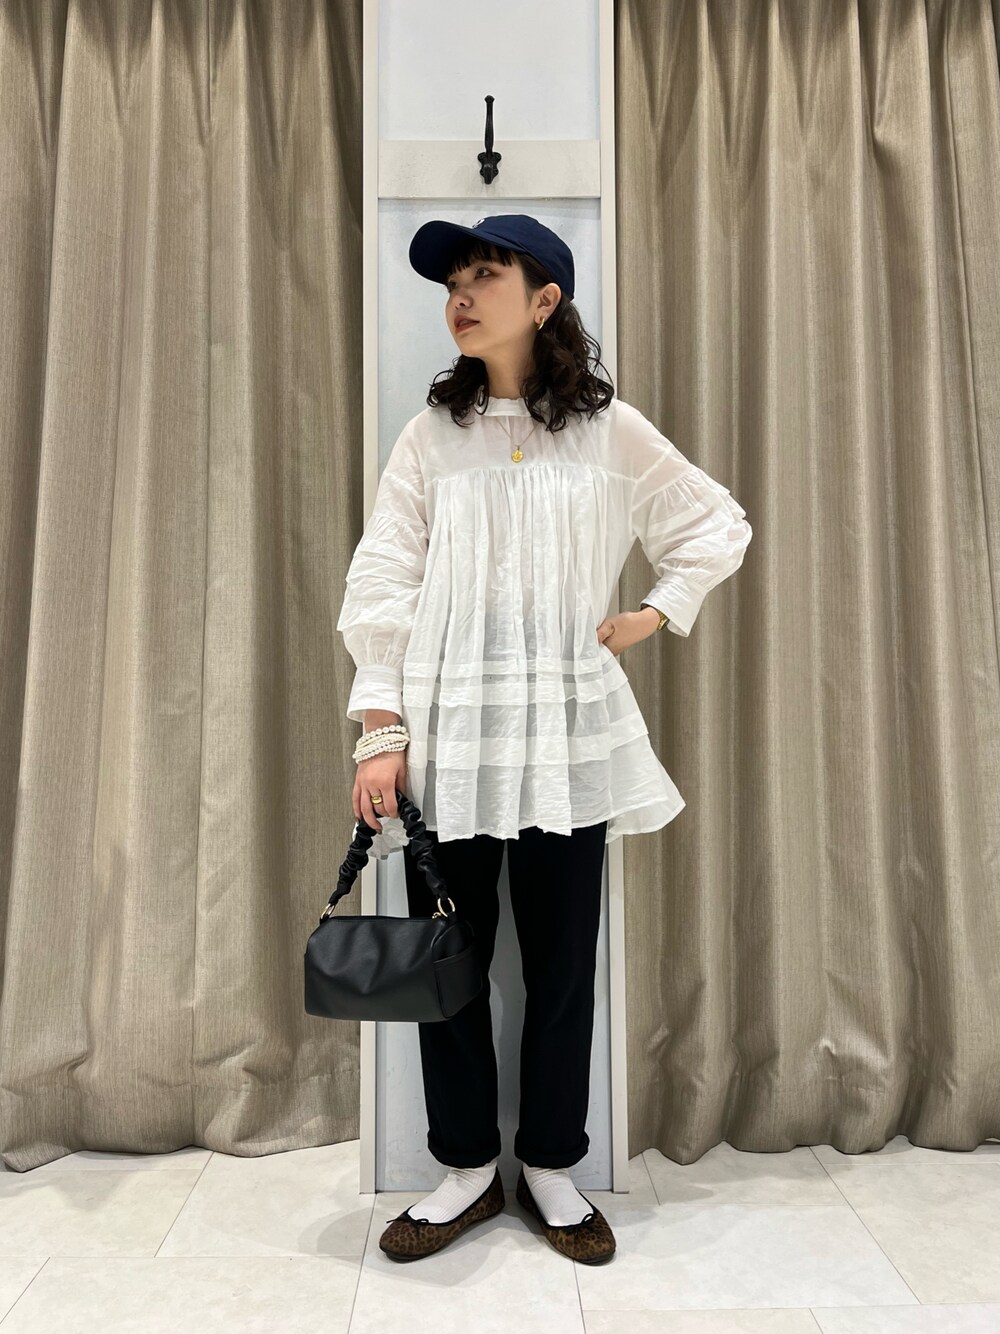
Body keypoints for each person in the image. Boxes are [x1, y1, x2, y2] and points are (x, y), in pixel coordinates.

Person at [335, 215, 753, 1262]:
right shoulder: (431, 436)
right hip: (450, 741)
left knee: (564, 967)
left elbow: (714, 523)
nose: (460, 296)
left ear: (545, 298)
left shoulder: (609, 431)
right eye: (453, 281)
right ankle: (467, 1169)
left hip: (567, 740)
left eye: (484, 275)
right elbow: (383, 577)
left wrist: (654, 613)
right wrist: (381, 727)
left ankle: (554, 1165)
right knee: (446, 964)